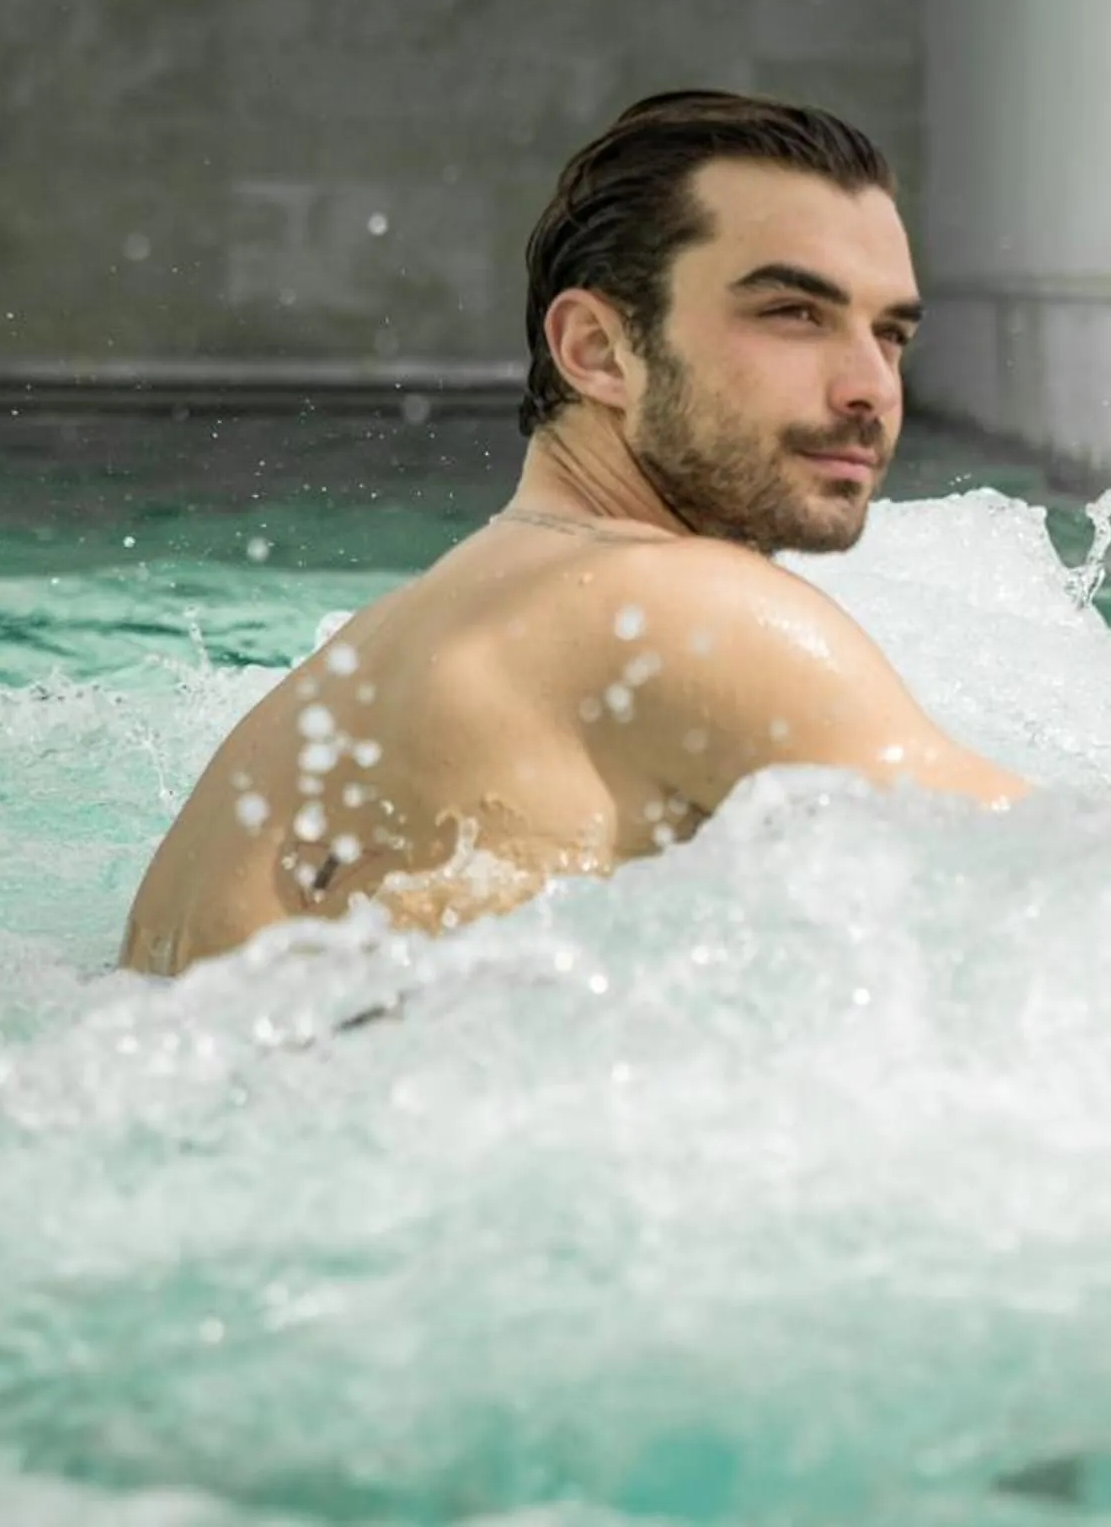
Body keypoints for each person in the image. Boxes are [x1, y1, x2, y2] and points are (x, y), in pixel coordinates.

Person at [120, 91, 1022, 976]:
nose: (871, 386)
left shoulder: (367, 659)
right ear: (596, 350)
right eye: (794, 313)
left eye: (892, 333)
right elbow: (1088, 896)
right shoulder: (682, 610)